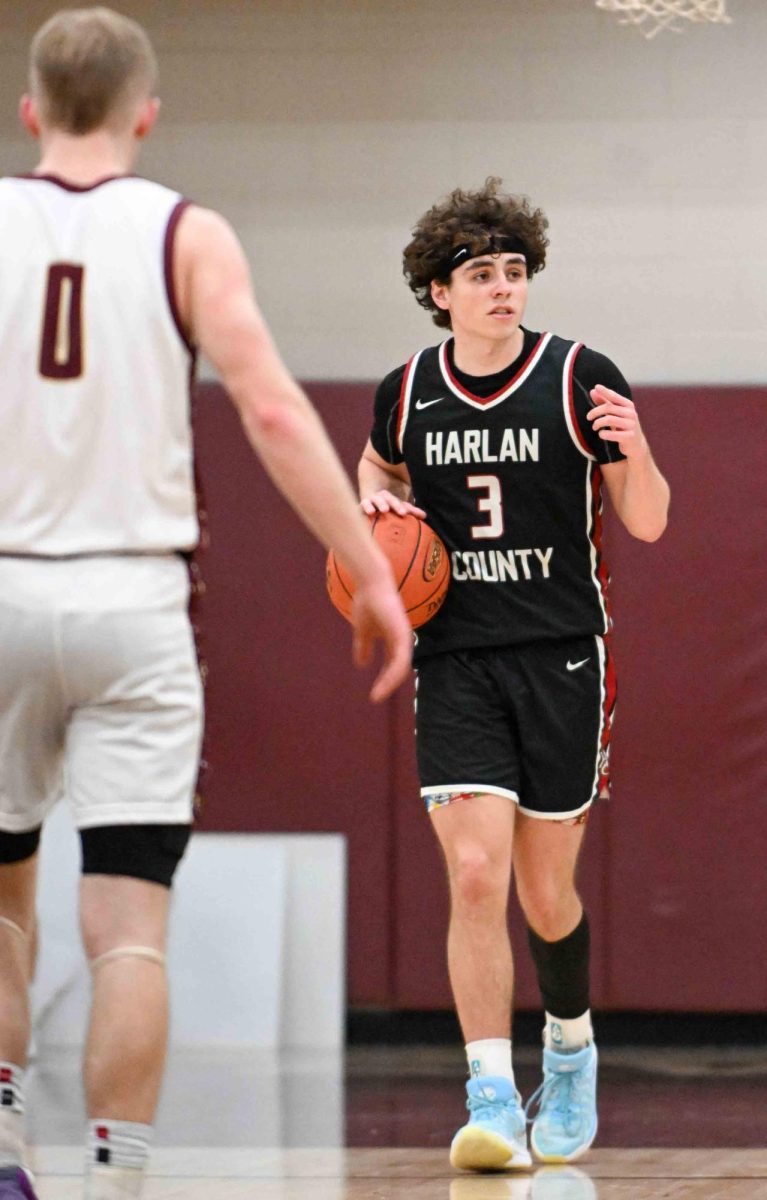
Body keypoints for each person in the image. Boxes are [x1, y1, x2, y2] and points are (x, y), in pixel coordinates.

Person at [0, 9, 412, 1200]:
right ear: (146, 112)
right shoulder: (187, 233)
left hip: (5, 586)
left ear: (31, 111)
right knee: (128, 926)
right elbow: (275, 412)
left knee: (8, 897)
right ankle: (120, 1185)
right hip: (132, 604)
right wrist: (371, 569)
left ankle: (5, 1154)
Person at [358, 178, 670, 1172]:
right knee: (475, 874)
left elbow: (651, 517)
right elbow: (375, 467)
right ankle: (489, 1095)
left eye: (513, 271)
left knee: (544, 896)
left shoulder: (580, 378)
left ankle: (568, 1046)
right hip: (456, 658)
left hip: (564, 657)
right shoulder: (406, 391)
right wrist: (379, 512)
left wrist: (637, 448)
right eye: (480, 275)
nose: (502, 289)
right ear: (438, 292)